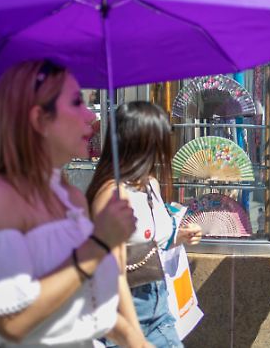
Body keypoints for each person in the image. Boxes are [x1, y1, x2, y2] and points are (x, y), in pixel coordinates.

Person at [0, 60, 147, 347]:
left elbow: (81, 307)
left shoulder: (72, 197)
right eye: (77, 102)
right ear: (39, 119)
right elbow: (12, 323)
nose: (90, 116)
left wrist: (136, 340)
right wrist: (100, 243)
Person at [86, 101, 203, 348]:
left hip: (159, 306)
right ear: (141, 142)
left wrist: (179, 236)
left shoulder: (150, 184)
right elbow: (106, 270)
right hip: (125, 310)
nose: (165, 146)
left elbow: (153, 239)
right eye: (159, 138)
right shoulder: (111, 194)